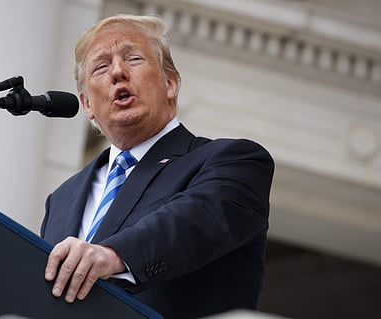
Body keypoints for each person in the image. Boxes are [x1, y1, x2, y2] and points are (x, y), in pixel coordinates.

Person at [41, 14, 274, 319]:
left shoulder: (235, 160)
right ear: (86, 105)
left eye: (133, 58)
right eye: (101, 66)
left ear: (170, 83)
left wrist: (113, 255)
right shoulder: (62, 199)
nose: (118, 72)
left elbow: (192, 221)